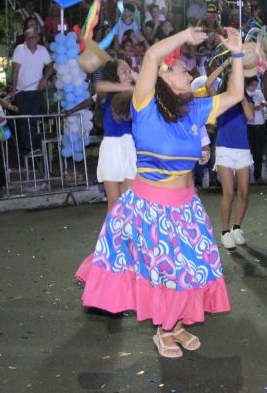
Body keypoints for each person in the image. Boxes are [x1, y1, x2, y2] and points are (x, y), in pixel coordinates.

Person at [76, 25, 245, 359]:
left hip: (186, 208)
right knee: (167, 272)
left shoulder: (195, 110)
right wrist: (184, 35)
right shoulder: (145, 104)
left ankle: (178, 323)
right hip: (150, 209)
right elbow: (152, 54)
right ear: (166, 75)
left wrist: (237, 54)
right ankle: (164, 330)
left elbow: (235, 95)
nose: (190, 72)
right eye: (184, 68)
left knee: (191, 267)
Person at [207, 61, 255, 250]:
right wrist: (225, 65)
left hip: (242, 149)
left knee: (244, 192)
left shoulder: (246, 100)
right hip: (224, 149)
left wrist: (241, 96)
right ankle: (225, 232)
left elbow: (250, 117)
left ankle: (236, 228)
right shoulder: (220, 98)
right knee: (229, 192)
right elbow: (207, 84)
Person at [94, 60, 137, 211]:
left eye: (129, 71)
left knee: (130, 202)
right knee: (114, 204)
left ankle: (130, 234)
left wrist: (132, 83)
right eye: (123, 71)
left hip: (130, 147)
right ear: (114, 75)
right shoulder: (108, 95)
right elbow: (99, 86)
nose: (128, 74)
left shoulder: (136, 95)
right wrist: (124, 87)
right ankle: (113, 234)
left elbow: (151, 87)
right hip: (111, 147)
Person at [9, 27, 53, 154]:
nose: (30, 40)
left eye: (33, 37)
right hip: (21, 91)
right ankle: (27, 149)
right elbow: (15, 71)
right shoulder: (19, 49)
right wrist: (13, 89)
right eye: (27, 38)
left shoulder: (42, 50)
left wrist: (44, 79)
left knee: (33, 121)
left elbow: (50, 67)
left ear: (38, 38)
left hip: (36, 91)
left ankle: (34, 149)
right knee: (23, 121)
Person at [245, 77, 267, 183]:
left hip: (260, 124)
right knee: (247, 152)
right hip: (248, 125)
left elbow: (263, 103)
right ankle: (245, 175)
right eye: (252, 85)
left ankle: (257, 175)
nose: (254, 87)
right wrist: (254, 107)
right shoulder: (243, 94)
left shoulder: (258, 92)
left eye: (255, 84)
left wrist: (263, 104)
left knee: (258, 152)